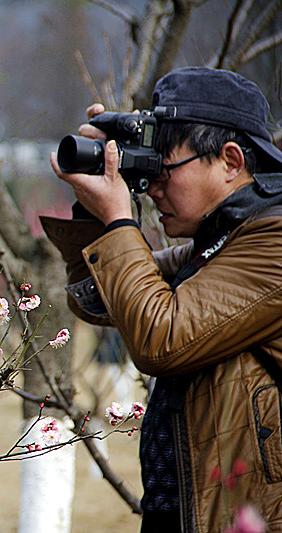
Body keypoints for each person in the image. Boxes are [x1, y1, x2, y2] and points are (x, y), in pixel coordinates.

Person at [41, 67, 282, 532]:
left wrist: (118, 219)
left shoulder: (271, 242)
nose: (152, 189)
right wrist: (93, 209)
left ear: (231, 161)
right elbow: (102, 298)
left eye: (163, 171)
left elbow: (162, 338)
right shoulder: (218, 245)